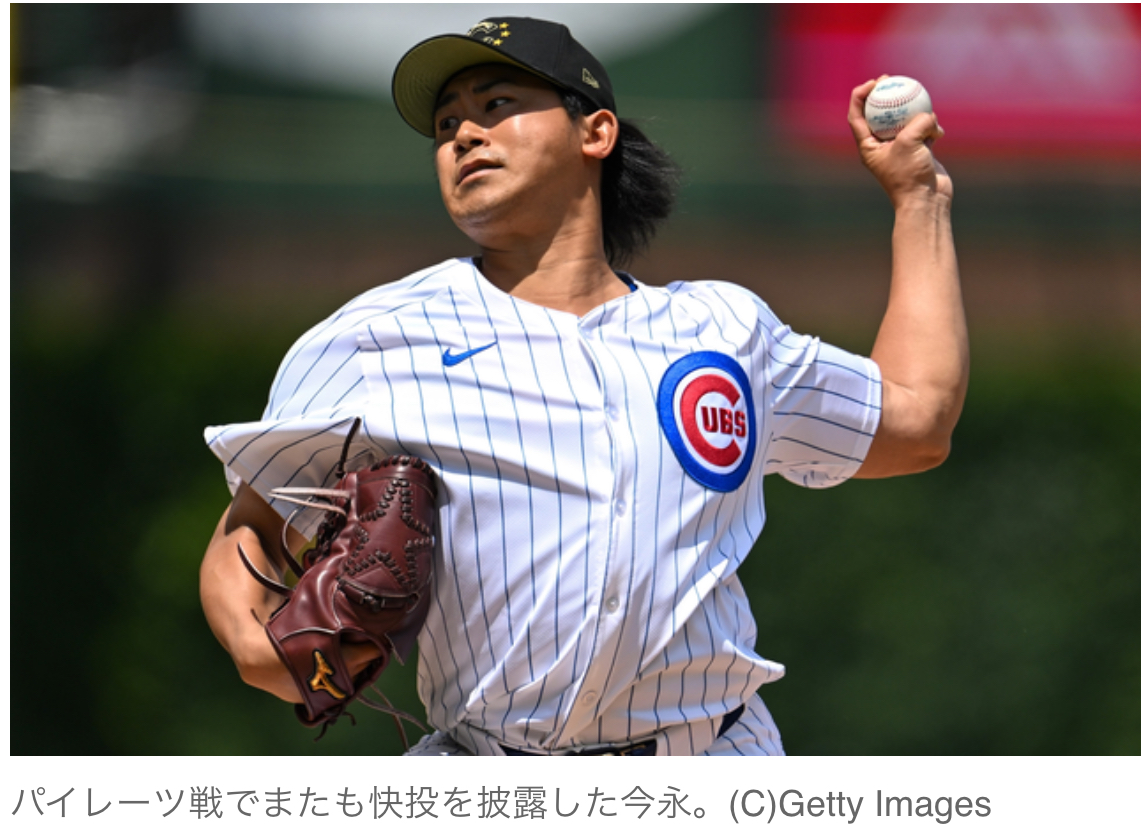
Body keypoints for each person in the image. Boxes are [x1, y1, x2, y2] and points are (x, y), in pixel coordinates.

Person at [199, 16, 967, 756]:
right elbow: (251, 528)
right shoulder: (374, 338)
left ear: (595, 131)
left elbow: (918, 422)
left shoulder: (724, 329)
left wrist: (919, 199)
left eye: (497, 104)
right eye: (446, 124)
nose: (464, 134)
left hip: (714, 763)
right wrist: (262, 650)